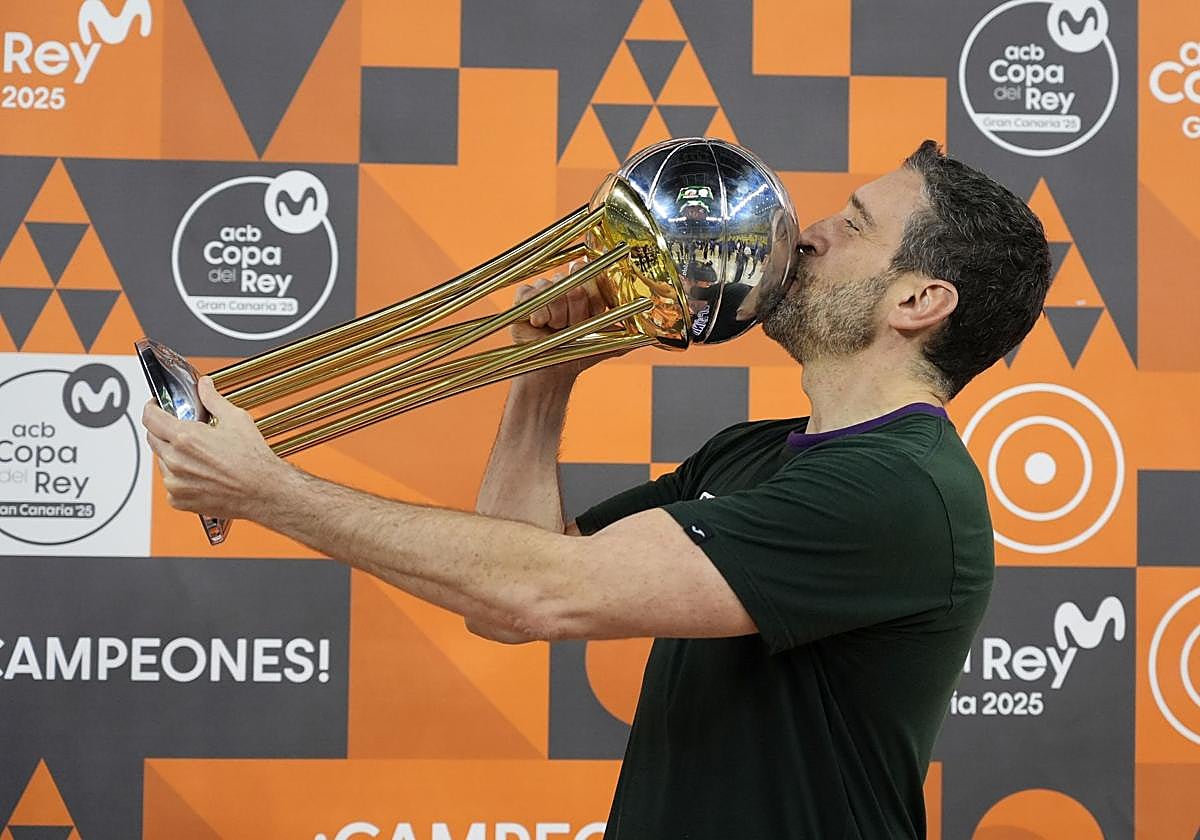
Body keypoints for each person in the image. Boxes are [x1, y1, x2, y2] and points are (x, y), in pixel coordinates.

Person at [141, 140, 1051, 839]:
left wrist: (267, 491)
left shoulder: (898, 492)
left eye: (853, 225)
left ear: (918, 303)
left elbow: (540, 591)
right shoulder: (755, 454)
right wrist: (551, 368)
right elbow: (512, 587)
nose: (807, 231)